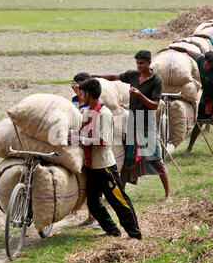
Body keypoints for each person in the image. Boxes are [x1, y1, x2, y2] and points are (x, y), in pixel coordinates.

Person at [92, 50, 172, 203]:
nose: (139, 66)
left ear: (149, 63)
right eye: (137, 63)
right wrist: (96, 76)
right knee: (128, 160)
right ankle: (120, 195)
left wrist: (140, 95)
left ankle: (168, 194)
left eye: (141, 63)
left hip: (146, 122)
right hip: (133, 121)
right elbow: (114, 77)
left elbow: (155, 105)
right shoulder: (133, 75)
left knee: (155, 158)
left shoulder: (157, 81)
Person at [69, 78, 142, 240]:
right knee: (94, 204)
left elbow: (104, 140)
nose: (81, 95)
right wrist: (74, 136)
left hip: (105, 166)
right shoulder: (88, 111)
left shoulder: (104, 113)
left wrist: (81, 140)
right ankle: (112, 230)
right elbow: (84, 132)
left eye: (82, 93)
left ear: (88, 94)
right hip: (92, 166)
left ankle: (134, 234)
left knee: (118, 200)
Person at [172, 48, 213, 159]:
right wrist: (173, 48)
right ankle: (189, 148)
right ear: (204, 59)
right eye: (206, 64)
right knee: (199, 123)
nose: (206, 67)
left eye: (209, 66)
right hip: (206, 97)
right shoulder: (200, 59)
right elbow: (188, 51)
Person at [70, 72, 102, 228]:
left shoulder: (97, 105)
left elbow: (83, 116)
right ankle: (91, 216)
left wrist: (81, 98)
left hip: (92, 147)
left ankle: (97, 218)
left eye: (81, 86)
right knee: (89, 186)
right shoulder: (75, 99)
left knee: (96, 187)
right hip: (81, 141)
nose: (78, 89)